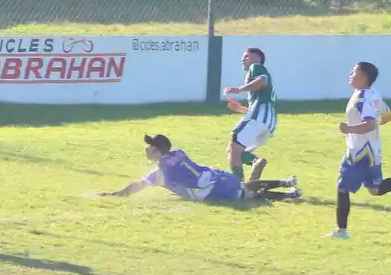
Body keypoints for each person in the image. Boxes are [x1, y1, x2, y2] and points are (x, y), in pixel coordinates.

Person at [99, 134, 301, 202]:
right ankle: (288, 189)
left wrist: (115, 194)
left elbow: (139, 185)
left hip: (208, 188)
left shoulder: (163, 170)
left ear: (158, 151)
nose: (146, 149)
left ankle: (287, 187)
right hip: (211, 177)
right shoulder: (176, 153)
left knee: (246, 193)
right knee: (247, 193)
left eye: (149, 146)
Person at [325, 62, 391, 240]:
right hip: (373, 151)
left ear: (364, 77)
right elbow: (387, 114)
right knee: (375, 190)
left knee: (342, 187)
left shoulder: (363, 98)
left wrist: (349, 129)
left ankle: (341, 231)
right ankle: (341, 231)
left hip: (358, 152)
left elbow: (369, 124)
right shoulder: (374, 95)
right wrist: (377, 124)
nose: (350, 74)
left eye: (354, 72)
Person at [222, 47, 277, 181]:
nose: (243, 59)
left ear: (257, 58)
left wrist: (239, 89)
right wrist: (241, 109)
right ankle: (256, 163)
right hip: (268, 123)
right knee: (234, 151)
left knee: (234, 145)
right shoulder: (257, 74)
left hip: (259, 118)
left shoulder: (256, 67)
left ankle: (239, 186)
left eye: (246, 56)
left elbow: (262, 81)